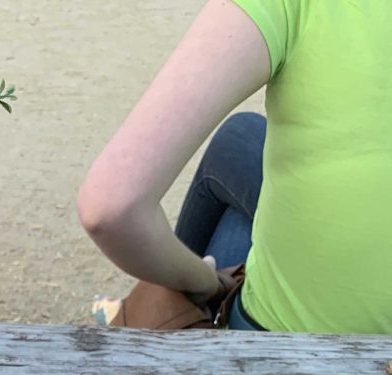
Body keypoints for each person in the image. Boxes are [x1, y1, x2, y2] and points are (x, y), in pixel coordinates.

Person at [77, 0, 392, 334]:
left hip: (290, 355)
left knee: (236, 170)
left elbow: (109, 207)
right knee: (240, 137)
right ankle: (162, 300)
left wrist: (206, 282)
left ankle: (165, 305)